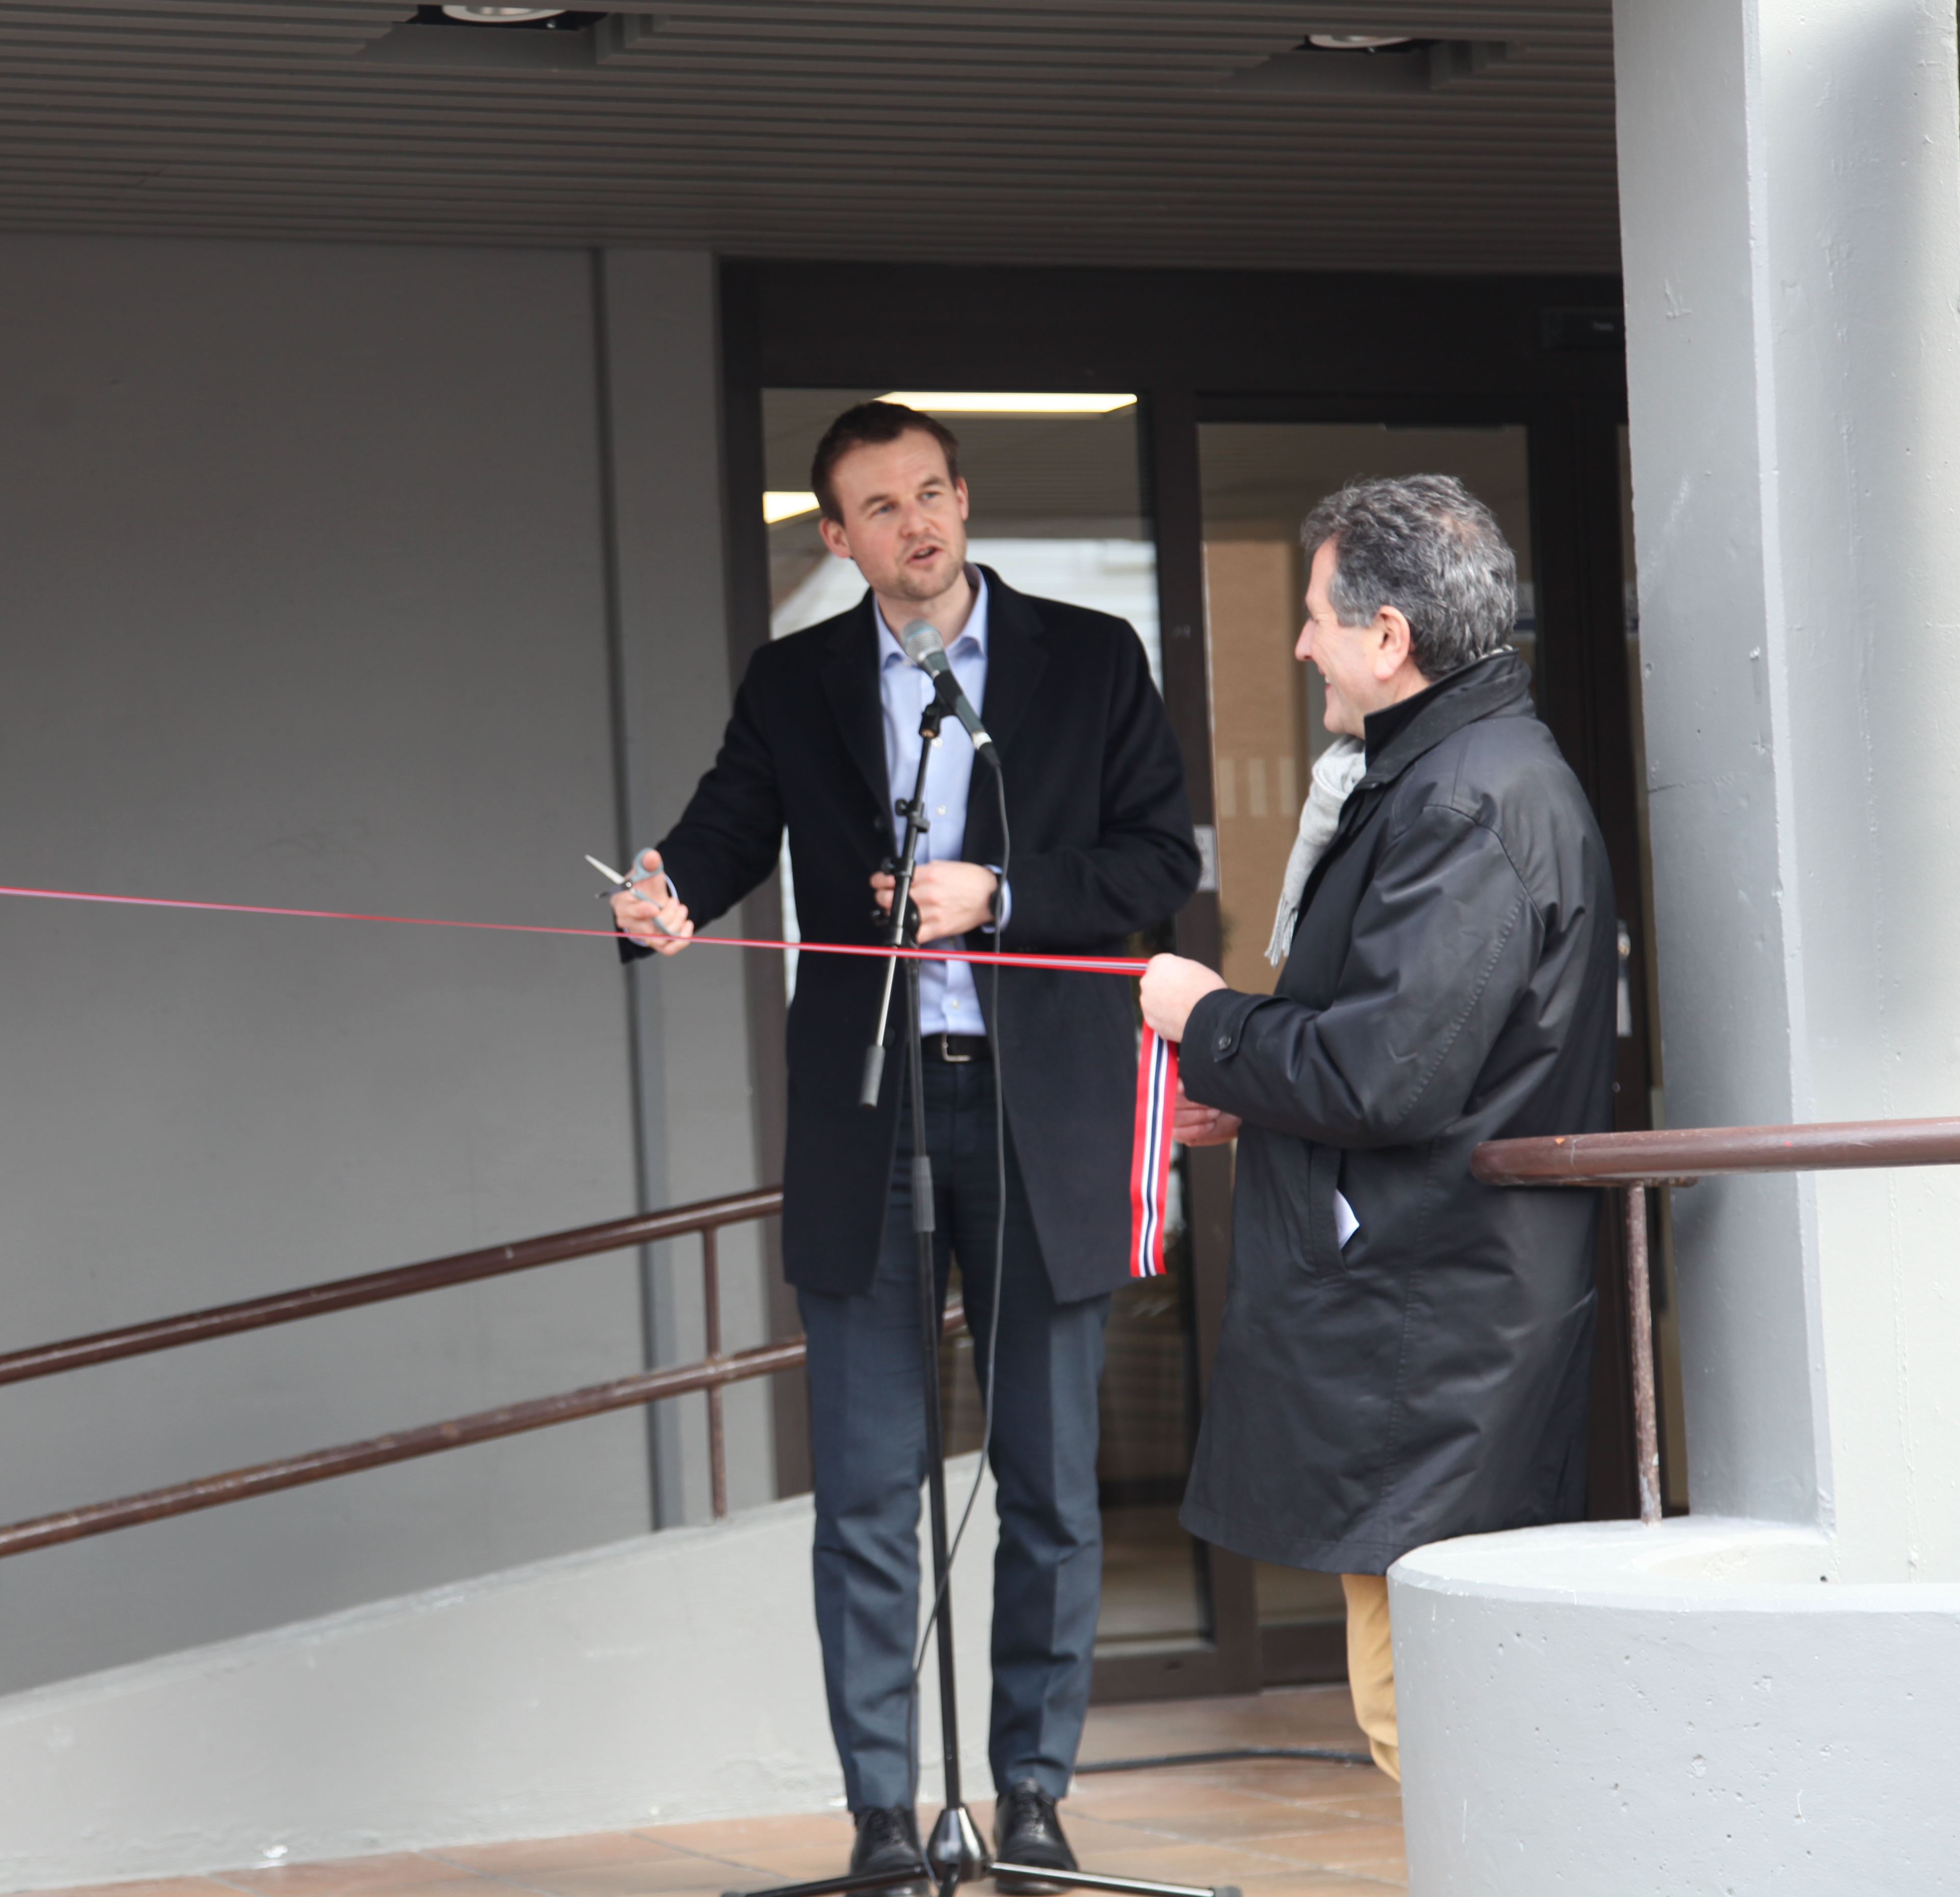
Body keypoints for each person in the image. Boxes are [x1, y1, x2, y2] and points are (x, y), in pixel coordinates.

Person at [613, 403, 1199, 1890]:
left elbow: (1157, 861)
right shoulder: (800, 677)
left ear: (961, 498)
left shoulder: (1090, 658)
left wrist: (996, 894)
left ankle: (1037, 1795)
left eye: (933, 494)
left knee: (1052, 1483)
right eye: (880, 508)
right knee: (870, 1484)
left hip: (1039, 1106)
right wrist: (662, 899)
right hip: (869, 1101)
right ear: (838, 538)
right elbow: (724, 833)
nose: (917, 527)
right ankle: (882, 1811)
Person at [1138, 473, 1615, 1782]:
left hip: (1433, 1323)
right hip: (1437, 1313)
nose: (1302, 645)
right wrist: (1257, 1088)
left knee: (1429, 1727)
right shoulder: (1465, 774)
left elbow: (1380, 1077)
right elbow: (1407, 1056)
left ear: (1389, 637)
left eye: (1315, 619)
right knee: (1428, 1716)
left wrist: (1207, 1019)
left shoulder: (1461, 799)